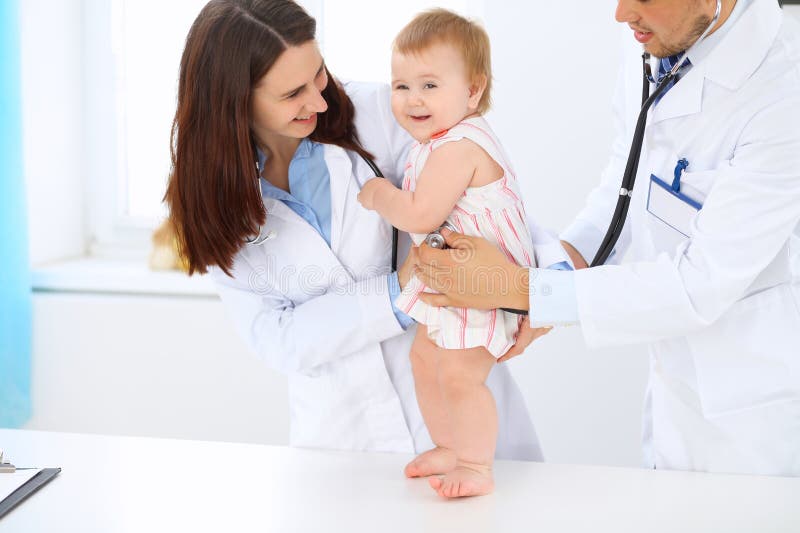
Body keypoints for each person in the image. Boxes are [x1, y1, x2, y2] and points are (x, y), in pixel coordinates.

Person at [413, 0, 800, 476]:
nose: (621, 14)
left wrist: (520, 289)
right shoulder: (652, 35)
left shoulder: (784, 92)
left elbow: (699, 284)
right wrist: (553, 276)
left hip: (753, 425)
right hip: (672, 394)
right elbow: (627, 177)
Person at [164, 0, 544, 465]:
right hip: (344, 444)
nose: (320, 102)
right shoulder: (213, 198)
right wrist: (400, 291)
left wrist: (537, 292)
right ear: (234, 102)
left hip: (461, 410)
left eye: (319, 74)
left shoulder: (384, 114)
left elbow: (488, 203)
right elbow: (276, 337)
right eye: (292, 94)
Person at [358, 10, 561, 498]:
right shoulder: (437, 142)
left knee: (459, 376)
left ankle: (475, 465)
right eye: (401, 85)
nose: (412, 99)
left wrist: (377, 194)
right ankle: (448, 446)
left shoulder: (460, 147)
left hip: (488, 288)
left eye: (430, 84)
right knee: (425, 360)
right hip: (458, 286)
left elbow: (422, 214)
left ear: (473, 91)